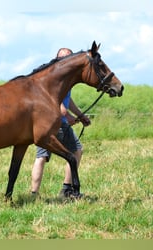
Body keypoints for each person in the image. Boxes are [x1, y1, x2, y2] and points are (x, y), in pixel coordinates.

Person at [31, 48, 91, 198]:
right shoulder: (61, 79)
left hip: (42, 123)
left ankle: (33, 194)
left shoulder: (52, 76)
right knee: (76, 151)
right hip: (58, 123)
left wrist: (80, 115)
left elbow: (67, 99)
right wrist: (68, 116)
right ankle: (66, 190)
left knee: (41, 157)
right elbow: (59, 103)